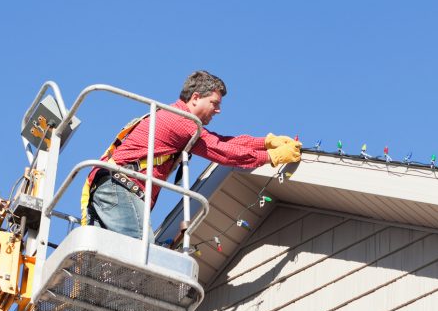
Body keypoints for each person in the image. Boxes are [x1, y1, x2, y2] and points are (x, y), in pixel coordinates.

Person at [80, 70, 301, 238]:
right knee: (135, 255)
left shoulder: (177, 118)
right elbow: (221, 150)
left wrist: (266, 142)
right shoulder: (182, 122)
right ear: (195, 97)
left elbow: (222, 141)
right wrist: (271, 157)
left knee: (108, 259)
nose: (218, 110)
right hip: (122, 187)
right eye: (214, 103)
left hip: (113, 186)